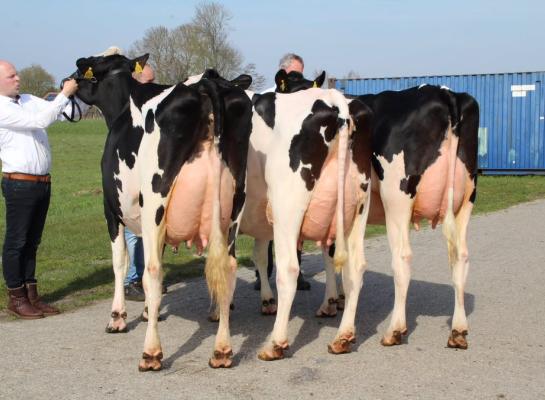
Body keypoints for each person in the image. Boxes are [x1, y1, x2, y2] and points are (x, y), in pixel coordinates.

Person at [0, 60, 79, 319]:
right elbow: (42, 120)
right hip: (19, 183)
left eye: (16, 74)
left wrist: (80, 93)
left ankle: (32, 294)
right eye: (12, 76)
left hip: (41, 182)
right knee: (17, 241)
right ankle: (16, 296)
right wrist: (64, 94)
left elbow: (65, 113)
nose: (18, 78)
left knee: (32, 242)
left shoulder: (28, 99)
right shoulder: (1, 108)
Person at [255, 53, 311, 291]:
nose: (298, 78)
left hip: (296, 170)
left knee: (297, 222)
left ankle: (294, 272)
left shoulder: (306, 100)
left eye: (301, 73)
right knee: (267, 223)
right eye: (294, 73)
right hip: (268, 169)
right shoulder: (266, 99)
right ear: (282, 74)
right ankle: (264, 275)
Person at [123, 62, 155, 301]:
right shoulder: (128, 109)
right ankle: (132, 279)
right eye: (148, 82)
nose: (152, 86)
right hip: (130, 174)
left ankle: (145, 276)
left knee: (148, 228)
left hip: (148, 173)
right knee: (134, 230)